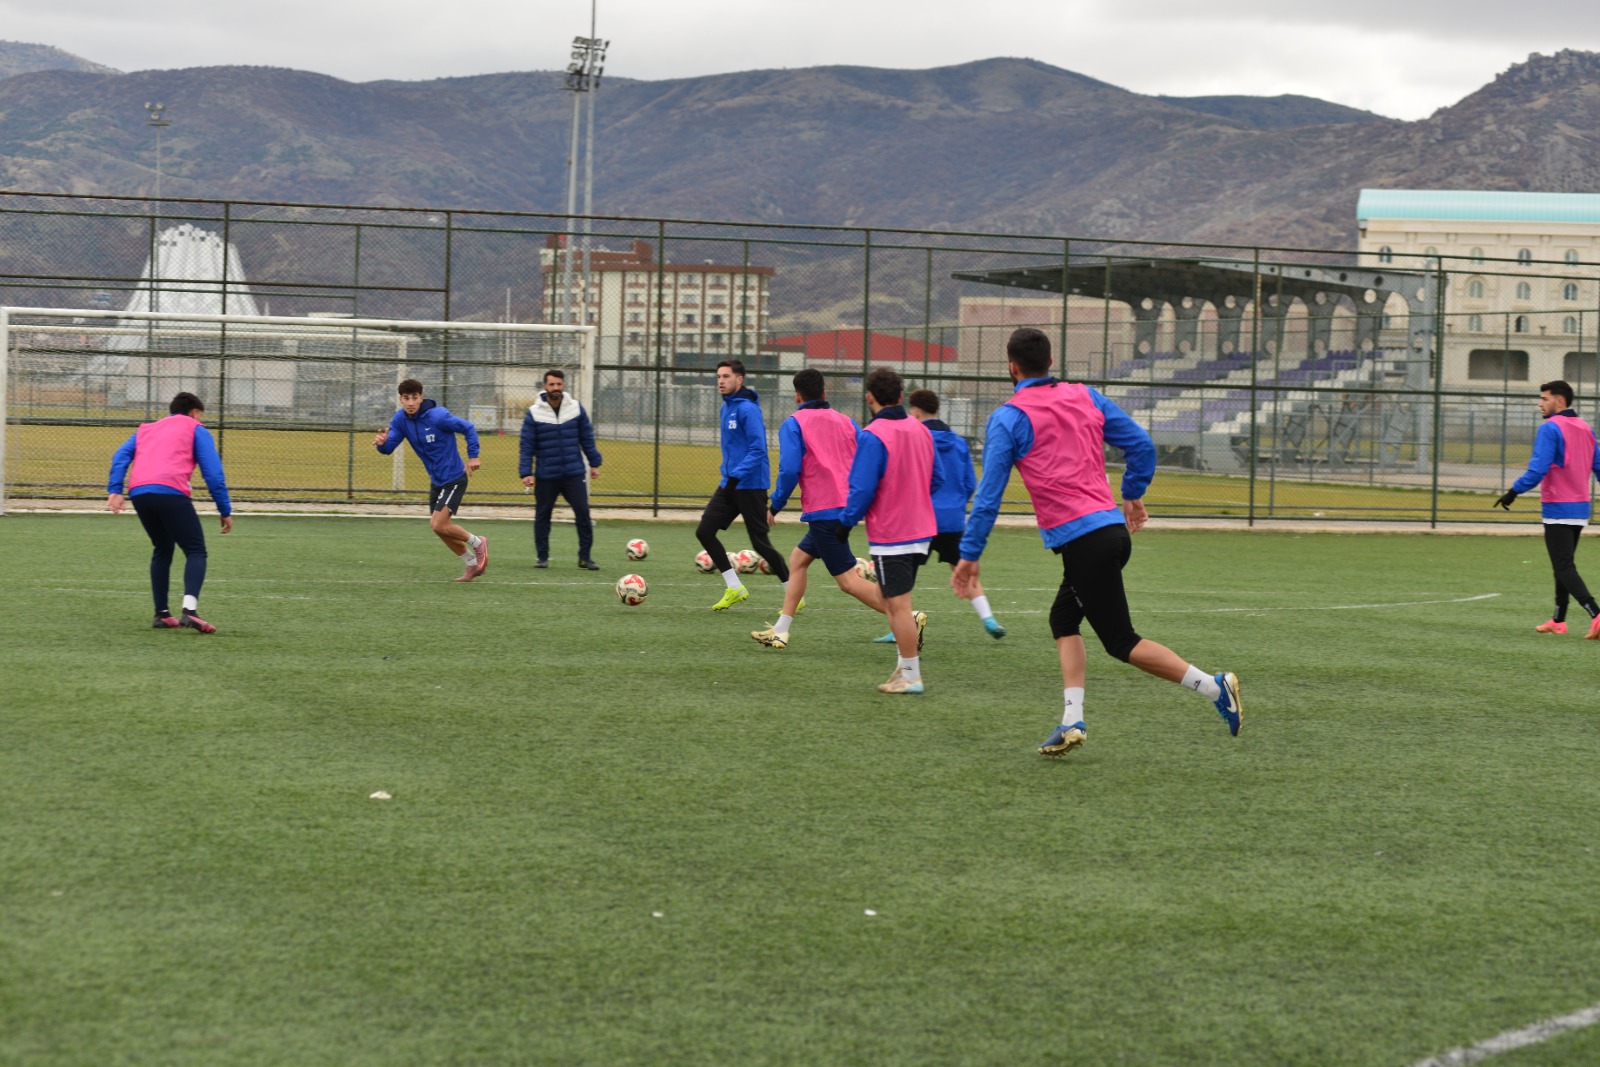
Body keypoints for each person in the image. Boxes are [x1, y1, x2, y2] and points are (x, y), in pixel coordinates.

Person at [951, 327, 1241, 756]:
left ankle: (1215, 688)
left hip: (1087, 544)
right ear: (1050, 362)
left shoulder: (1009, 418)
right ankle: (1072, 721)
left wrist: (969, 554)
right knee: (1063, 620)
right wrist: (1133, 493)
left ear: (1011, 367)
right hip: (1108, 534)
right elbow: (1141, 445)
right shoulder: (1085, 396)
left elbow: (989, 495)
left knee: (1121, 642)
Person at [750, 368, 889, 650]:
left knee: (849, 582)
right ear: (825, 394)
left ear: (797, 396)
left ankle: (906, 617)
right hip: (846, 507)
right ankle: (781, 630)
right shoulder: (848, 422)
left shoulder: (794, 423)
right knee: (798, 559)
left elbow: (789, 469)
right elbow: (868, 457)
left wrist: (774, 504)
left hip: (825, 510)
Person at [870, 388, 1004, 641]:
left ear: (916, 413)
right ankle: (988, 618)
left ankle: (898, 627)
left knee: (900, 582)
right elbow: (968, 483)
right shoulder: (958, 442)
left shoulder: (915, 439)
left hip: (921, 522)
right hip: (953, 521)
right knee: (963, 569)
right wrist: (954, 505)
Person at [837, 367, 941, 694]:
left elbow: (862, 488)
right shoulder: (921, 429)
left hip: (893, 535)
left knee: (898, 606)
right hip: (922, 531)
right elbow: (936, 479)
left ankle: (911, 676)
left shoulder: (873, 434)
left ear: (869, 397)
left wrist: (845, 523)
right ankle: (903, 669)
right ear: (900, 396)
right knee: (891, 599)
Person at [105, 391, 233, 633]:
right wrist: (224, 509)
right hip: (171, 491)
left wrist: (115, 489)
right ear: (194, 413)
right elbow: (213, 474)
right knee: (196, 550)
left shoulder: (147, 429)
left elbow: (121, 454)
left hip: (140, 493)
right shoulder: (195, 428)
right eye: (200, 417)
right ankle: (190, 611)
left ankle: (162, 614)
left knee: (162, 548)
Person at [1493, 379, 1600, 637]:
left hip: (1558, 508)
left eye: (1544, 398)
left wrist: (1513, 492)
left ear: (1559, 401)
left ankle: (1596, 614)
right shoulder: (1585, 428)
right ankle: (1558, 620)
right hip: (1579, 508)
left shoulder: (1550, 428)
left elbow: (1537, 469)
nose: (1540, 403)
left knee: (1563, 566)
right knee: (1563, 564)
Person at [696, 358, 790, 609]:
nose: (721, 381)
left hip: (750, 486)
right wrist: (730, 478)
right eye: (718, 377)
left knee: (760, 543)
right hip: (730, 483)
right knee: (704, 532)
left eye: (726, 377)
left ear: (739, 380)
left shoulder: (748, 409)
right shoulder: (725, 408)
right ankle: (735, 587)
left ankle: (793, 594)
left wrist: (736, 476)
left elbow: (759, 449)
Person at [373, 378, 489, 583]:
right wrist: (381, 444)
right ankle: (471, 564)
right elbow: (389, 447)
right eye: (406, 398)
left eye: (414, 398)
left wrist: (473, 455)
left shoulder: (438, 416)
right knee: (441, 529)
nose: (410, 402)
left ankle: (479, 543)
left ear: (421, 398)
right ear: (400, 399)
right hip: (437, 481)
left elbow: (468, 428)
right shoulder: (400, 420)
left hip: (454, 478)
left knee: (438, 524)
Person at [520, 368, 603, 570]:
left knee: (583, 513)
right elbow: (527, 444)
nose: (555, 388)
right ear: (545, 387)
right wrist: (526, 472)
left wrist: (594, 462)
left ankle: (585, 558)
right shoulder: (534, 412)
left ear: (563, 385)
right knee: (543, 515)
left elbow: (587, 438)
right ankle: (542, 557)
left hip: (573, 473)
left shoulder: (575, 408)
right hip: (546, 475)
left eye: (559, 384)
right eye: (552, 384)